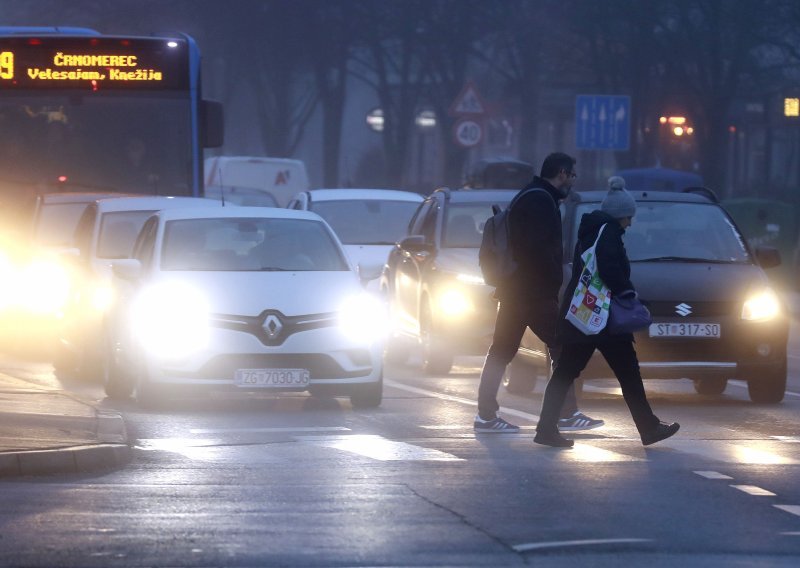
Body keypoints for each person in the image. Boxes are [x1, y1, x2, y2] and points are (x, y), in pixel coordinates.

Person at [533, 176, 680, 447]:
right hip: (604, 317)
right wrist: (629, 295)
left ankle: (546, 428)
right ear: (620, 215)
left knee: (566, 372)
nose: (630, 223)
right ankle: (648, 428)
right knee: (627, 374)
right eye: (628, 217)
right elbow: (610, 270)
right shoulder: (609, 234)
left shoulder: (592, 231)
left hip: (584, 315)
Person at [474, 152, 604, 433]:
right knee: (563, 347)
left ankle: (486, 416)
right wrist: (552, 282)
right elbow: (537, 249)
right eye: (571, 175)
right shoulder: (539, 201)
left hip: (516, 290)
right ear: (561, 173)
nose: (572, 181)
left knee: (501, 350)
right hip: (532, 293)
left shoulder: (531, 195)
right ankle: (566, 413)